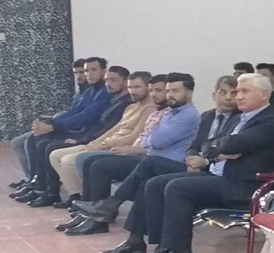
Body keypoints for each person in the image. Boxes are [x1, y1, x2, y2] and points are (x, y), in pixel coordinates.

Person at [137, 73, 274, 253]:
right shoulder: (242, 118)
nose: (238, 96)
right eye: (238, 92)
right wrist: (222, 150)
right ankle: (164, 247)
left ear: (264, 94)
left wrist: (224, 148)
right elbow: (211, 144)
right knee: (156, 184)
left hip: (245, 186)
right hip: (222, 176)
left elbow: (231, 143)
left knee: (178, 188)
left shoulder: (270, 121)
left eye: (244, 91)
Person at [94, 76, 241, 253]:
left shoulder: (238, 119)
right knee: (148, 181)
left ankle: (113, 204)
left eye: (233, 93)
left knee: (150, 164)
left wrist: (204, 161)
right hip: (192, 165)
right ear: (214, 95)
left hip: (210, 171)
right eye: (223, 92)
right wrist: (191, 157)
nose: (228, 97)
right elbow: (194, 145)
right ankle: (137, 240)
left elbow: (222, 148)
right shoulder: (208, 116)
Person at [59, 73, 200, 235]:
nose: (170, 95)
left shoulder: (188, 115)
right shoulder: (170, 113)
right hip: (151, 159)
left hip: (165, 163)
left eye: (175, 91)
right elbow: (148, 137)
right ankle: (92, 214)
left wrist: (149, 139)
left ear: (189, 93)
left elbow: (155, 140)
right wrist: (149, 139)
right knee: (93, 163)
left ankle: (103, 213)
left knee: (102, 166)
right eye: (168, 91)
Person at [30, 66, 133, 207]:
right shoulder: (112, 99)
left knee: (56, 151)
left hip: (103, 142)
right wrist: (52, 123)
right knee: (39, 141)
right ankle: (48, 189)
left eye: (113, 80)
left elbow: (105, 125)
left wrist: (83, 140)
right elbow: (77, 112)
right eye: (107, 80)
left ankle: (80, 200)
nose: (109, 84)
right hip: (93, 138)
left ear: (125, 81)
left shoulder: (126, 104)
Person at [48, 71, 154, 208]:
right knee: (55, 155)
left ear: (148, 87)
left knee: (75, 160)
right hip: (107, 143)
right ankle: (76, 196)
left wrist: (104, 144)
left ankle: (89, 201)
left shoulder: (150, 109)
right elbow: (115, 129)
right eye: (130, 87)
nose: (132, 91)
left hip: (121, 148)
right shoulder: (131, 107)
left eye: (137, 87)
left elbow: (135, 136)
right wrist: (97, 142)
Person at [16, 57, 112, 205]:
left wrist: (54, 127)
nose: (88, 74)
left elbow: (89, 114)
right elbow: (74, 111)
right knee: (34, 138)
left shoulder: (105, 92)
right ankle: (38, 185)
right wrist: (50, 123)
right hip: (81, 131)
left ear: (104, 71)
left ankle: (51, 192)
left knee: (46, 145)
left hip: (89, 135)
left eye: (93, 70)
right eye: (86, 70)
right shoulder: (90, 91)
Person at [9, 58, 88, 190]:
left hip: (72, 131)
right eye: (76, 73)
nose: (79, 76)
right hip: (63, 126)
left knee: (34, 141)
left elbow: (83, 116)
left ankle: (40, 183)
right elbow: (72, 112)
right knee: (21, 141)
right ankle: (33, 179)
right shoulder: (82, 92)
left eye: (82, 72)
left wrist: (52, 125)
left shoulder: (95, 93)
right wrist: (50, 122)